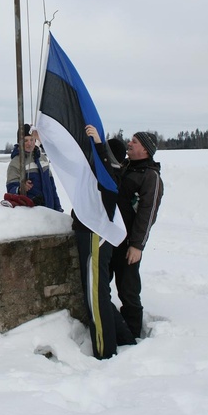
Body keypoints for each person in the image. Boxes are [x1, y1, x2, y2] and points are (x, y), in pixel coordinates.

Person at [71, 125, 136, 359]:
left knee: (95, 297)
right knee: (99, 295)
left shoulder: (111, 176)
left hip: (95, 236)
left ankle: (105, 351)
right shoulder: (105, 173)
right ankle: (126, 339)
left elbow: (104, 171)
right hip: (91, 234)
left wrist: (99, 145)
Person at [111, 132, 164, 338]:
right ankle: (111, 325)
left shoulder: (150, 176)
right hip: (111, 237)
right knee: (101, 283)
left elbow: (148, 214)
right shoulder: (124, 167)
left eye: (135, 142)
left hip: (129, 244)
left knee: (128, 289)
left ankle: (132, 334)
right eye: (130, 141)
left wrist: (137, 245)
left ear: (146, 150)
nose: (129, 144)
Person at [6, 123, 63, 211]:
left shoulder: (43, 159)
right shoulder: (16, 163)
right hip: (32, 215)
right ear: (19, 142)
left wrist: (58, 208)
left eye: (31, 139)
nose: (29, 143)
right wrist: (21, 189)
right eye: (25, 140)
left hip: (49, 212)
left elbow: (52, 187)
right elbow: (11, 189)